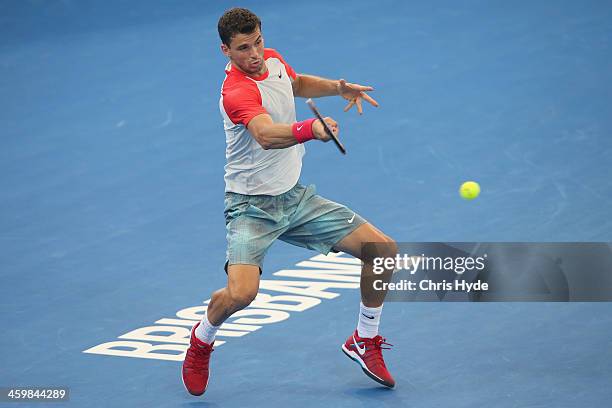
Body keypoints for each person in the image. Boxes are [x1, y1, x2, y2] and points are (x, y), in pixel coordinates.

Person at [182, 7, 398, 396]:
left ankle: (364, 339)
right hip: (251, 208)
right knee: (242, 294)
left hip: (294, 198)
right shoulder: (236, 92)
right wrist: (309, 129)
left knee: (382, 250)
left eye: (258, 42)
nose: (254, 54)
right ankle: (202, 337)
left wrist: (337, 87)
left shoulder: (274, 59)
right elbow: (265, 134)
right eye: (243, 48)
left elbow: (295, 84)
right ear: (225, 51)